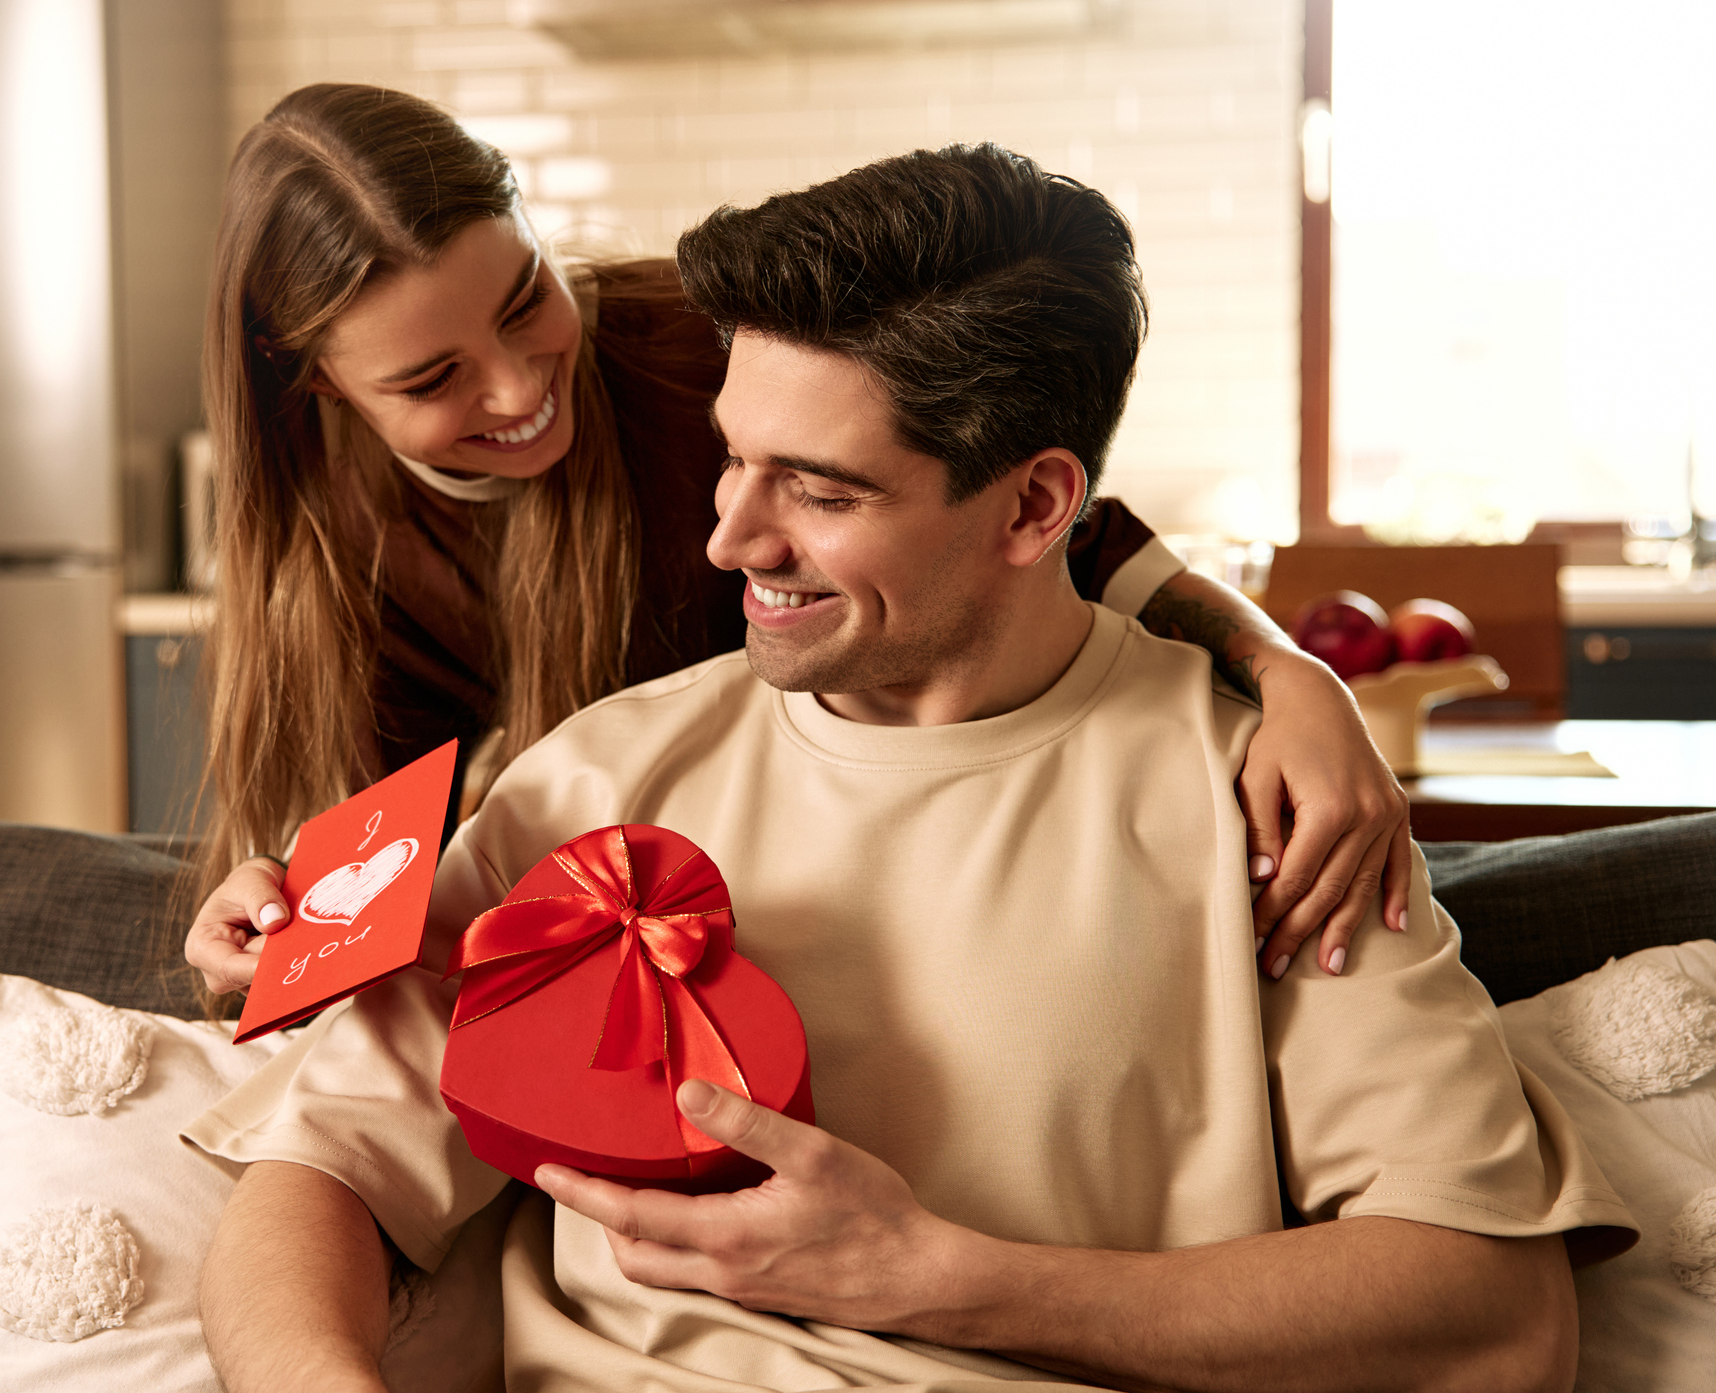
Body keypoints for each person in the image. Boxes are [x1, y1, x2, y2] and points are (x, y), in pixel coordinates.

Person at [185, 143, 1633, 1392]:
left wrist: (939, 1277)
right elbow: (319, 1174)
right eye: (731, 459)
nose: (729, 539)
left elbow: (1497, 1326)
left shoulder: (1262, 810)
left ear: (1034, 504)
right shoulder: (602, 778)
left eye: (819, 491)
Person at [176, 83, 1408, 1004]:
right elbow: (382, 844)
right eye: (437, 376)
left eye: (525, 301)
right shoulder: (342, 541)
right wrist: (282, 904)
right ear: (324, 390)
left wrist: (1295, 680)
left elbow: (1066, 536)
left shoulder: (696, 343)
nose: (517, 389)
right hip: (635, 935)